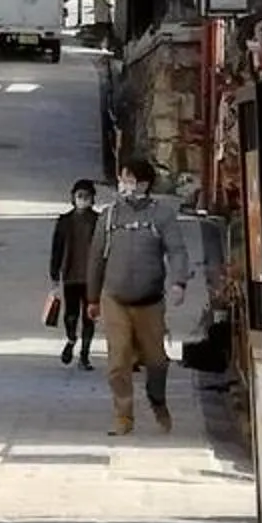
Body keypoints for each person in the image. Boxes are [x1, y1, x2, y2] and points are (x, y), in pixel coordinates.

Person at [90, 154, 186, 436]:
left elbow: (177, 251)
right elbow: (96, 257)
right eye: (122, 179)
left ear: (145, 184)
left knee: (156, 361)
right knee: (118, 361)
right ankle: (123, 416)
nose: (125, 185)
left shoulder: (161, 215)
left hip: (150, 301)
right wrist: (92, 298)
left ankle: (157, 400)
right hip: (114, 298)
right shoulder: (109, 217)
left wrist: (179, 282)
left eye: (131, 180)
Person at [47, 178, 101, 369]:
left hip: (92, 278)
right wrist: (54, 274)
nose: (83, 199)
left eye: (87, 196)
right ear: (73, 198)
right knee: (70, 315)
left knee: (89, 316)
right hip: (70, 275)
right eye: (79, 196)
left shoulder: (99, 221)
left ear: (92, 199)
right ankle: (71, 340)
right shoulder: (64, 222)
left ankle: (85, 355)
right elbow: (57, 249)